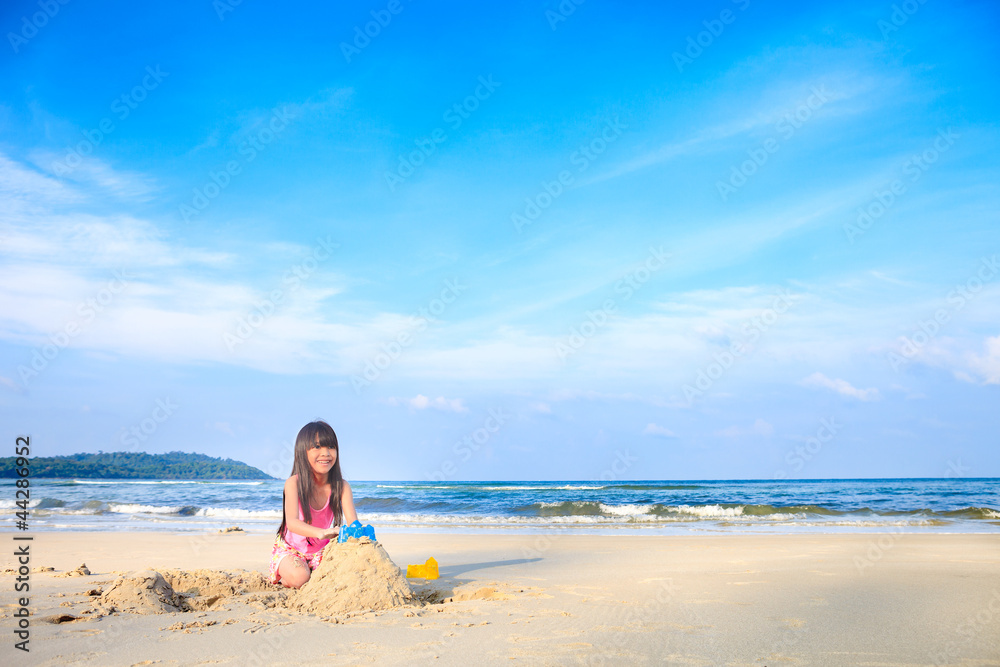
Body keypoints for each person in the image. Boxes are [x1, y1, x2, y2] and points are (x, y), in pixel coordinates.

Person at [269, 420, 358, 588]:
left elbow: (353, 523)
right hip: (292, 549)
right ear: (303, 451)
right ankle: (284, 576)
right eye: (317, 447)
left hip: (321, 551)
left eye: (331, 447)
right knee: (300, 577)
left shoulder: (342, 486)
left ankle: (311, 570)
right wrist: (323, 533)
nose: (326, 453)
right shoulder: (293, 483)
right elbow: (293, 523)